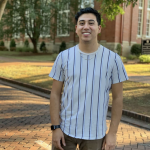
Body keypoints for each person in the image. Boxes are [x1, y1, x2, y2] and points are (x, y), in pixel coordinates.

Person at [49, 7, 128, 150]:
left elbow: (118, 98)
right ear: (76, 28)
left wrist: (112, 133)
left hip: (95, 134)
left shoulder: (113, 59)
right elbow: (55, 94)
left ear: (99, 28)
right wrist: (55, 128)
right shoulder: (63, 57)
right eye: (82, 23)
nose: (86, 27)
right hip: (66, 131)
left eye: (91, 23)